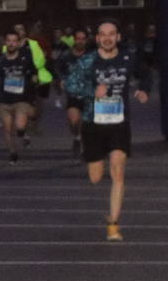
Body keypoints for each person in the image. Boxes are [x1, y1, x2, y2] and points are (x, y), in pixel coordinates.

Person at [64, 19, 151, 240]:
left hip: (119, 122)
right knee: (95, 177)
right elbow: (71, 85)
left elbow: (146, 74)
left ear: (118, 37)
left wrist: (143, 90)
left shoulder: (127, 58)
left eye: (112, 34)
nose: (107, 38)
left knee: (118, 170)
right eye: (103, 34)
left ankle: (113, 223)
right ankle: (90, 155)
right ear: (97, 39)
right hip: (93, 123)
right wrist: (93, 90)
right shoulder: (88, 61)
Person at [0, 31, 37, 164]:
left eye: (14, 41)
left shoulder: (25, 58)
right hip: (4, 100)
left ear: (18, 43)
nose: (11, 43)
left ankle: (22, 131)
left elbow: (33, 73)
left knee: (19, 125)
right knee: (7, 128)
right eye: (9, 40)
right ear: (5, 42)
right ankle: (12, 152)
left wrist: (34, 79)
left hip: (21, 99)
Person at [55, 27, 92, 157]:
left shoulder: (91, 55)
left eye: (83, 39)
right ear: (74, 40)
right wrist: (61, 80)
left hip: (88, 95)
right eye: (78, 39)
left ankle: (83, 145)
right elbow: (58, 70)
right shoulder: (66, 56)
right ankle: (77, 136)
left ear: (86, 40)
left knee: (87, 123)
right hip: (73, 95)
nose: (80, 41)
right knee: (74, 122)